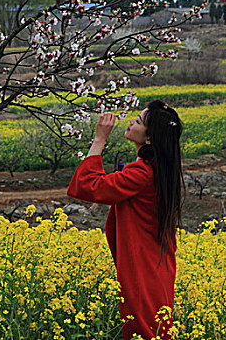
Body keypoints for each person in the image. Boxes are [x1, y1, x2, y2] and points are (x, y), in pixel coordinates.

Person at [67, 100, 185, 340]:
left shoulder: (142, 174)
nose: (132, 121)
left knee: (143, 331)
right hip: (154, 265)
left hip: (143, 269)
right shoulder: (157, 170)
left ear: (149, 139)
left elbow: (90, 186)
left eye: (139, 121)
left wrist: (99, 139)